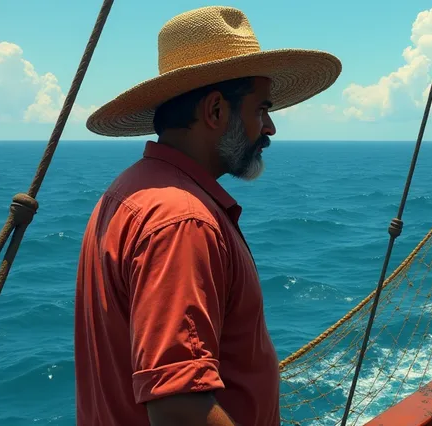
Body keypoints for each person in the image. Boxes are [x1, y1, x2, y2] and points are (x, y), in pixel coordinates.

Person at [74, 6, 341, 426]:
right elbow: (179, 407)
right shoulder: (182, 220)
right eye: (261, 109)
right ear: (216, 111)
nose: (269, 127)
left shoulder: (129, 191)